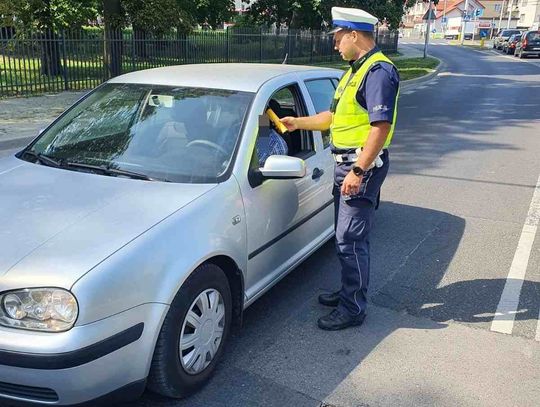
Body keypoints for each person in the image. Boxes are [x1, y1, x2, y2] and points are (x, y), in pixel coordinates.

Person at [280, 7, 400, 331]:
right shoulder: (353, 71)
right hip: (346, 164)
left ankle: (353, 308)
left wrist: (358, 172)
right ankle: (349, 291)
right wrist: (297, 123)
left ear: (353, 34)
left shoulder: (377, 72)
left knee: (350, 240)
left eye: (337, 38)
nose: (335, 45)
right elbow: (332, 118)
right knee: (345, 237)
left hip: (361, 166)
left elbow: (380, 126)